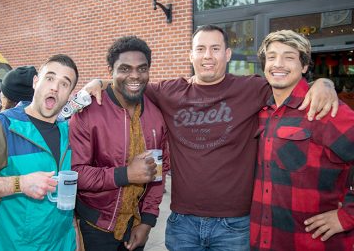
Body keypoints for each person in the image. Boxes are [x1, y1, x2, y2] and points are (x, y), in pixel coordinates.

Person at [83, 25, 338, 250]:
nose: (207, 56)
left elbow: (288, 82)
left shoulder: (251, 88)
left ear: (227, 54)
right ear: (190, 55)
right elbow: (130, 80)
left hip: (235, 225)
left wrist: (323, 83)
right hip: (182, 222)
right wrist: (97, 81)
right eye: (201, 49)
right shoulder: (169, 92)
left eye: (215, 49)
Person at [0, 54, 79, 251]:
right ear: (35, 82)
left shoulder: (69, 131)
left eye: (65, 83)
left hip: (62, 244)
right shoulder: (2, 125)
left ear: (70, 94)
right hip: (13, 245)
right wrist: (18, 184)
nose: (55, 87)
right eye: (50, 78)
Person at [250, 30, 354, 250]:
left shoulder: (323, 109)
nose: (278, 64)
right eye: (271, 57)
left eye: (289, 57)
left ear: (304, 66)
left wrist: (347, 216)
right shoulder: (260, 110)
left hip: (312, 243)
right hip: (264, 240)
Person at [69, 36, 170, 251]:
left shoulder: (156, 115)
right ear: (110, 71)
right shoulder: (87, 113)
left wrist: (147, 221)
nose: (134, 75)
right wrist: (125, 174)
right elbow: (76, 173)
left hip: (135, 225)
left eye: (142, 69)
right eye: (124, 68)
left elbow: (158, 174)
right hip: (95, 225)